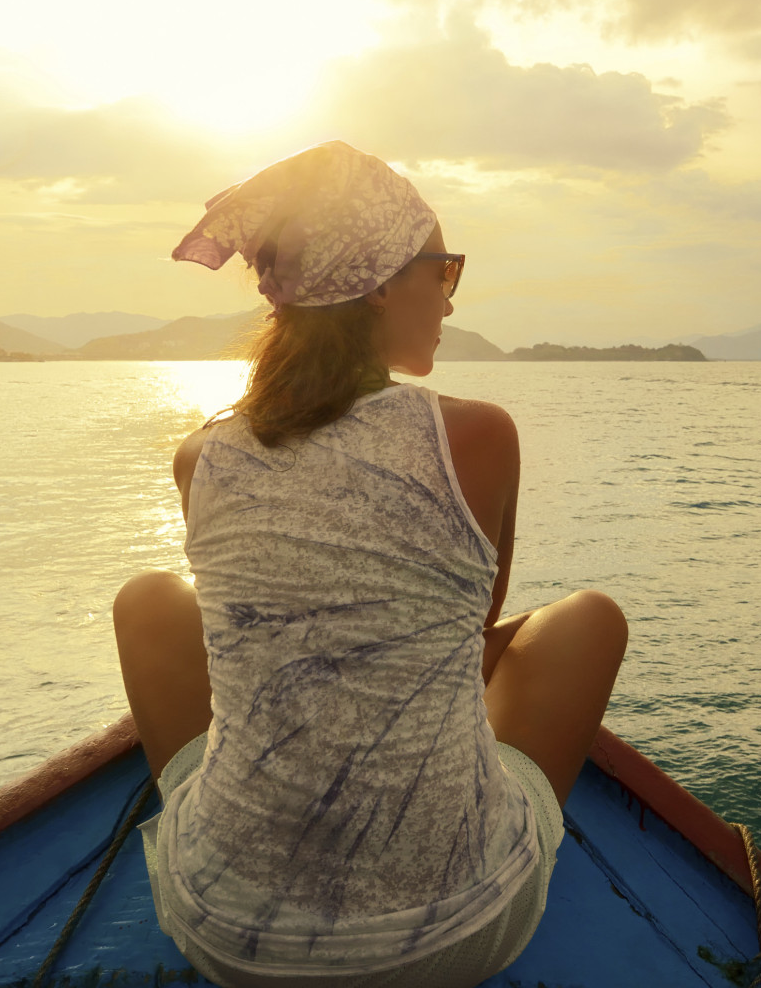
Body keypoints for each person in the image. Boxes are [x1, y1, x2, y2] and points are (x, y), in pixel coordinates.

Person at [113, 140, 627, 988]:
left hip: (228, 937)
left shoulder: (200, 456)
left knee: (146, 600)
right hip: (454, 935)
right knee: (590, 619)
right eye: (445, 269)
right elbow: (472, 627)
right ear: (385, 280)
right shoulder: (477, 434)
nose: (451, 297)